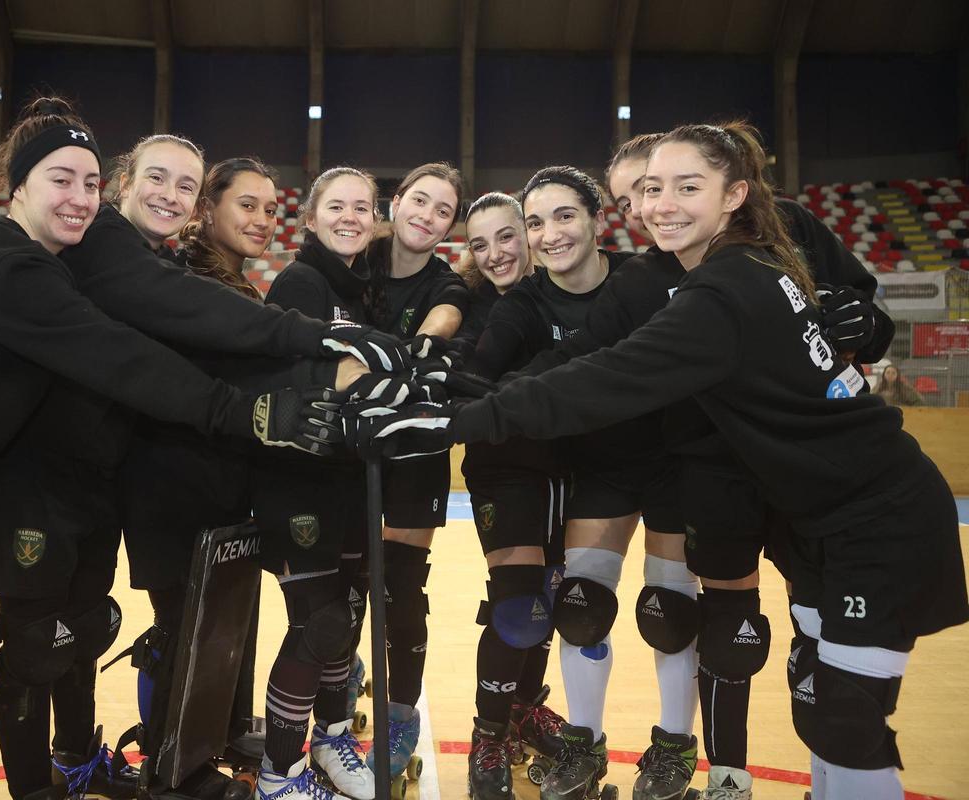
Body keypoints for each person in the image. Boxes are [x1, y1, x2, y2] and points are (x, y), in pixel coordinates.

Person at [353, 120, 969, 800]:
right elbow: (578, 357)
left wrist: (448, 421)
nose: (659, 206)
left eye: (687, 188)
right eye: (650, 190)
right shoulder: (745, 265)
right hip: (823, 517)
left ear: (735, 194)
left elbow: (601, 379)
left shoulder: (722, 294)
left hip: (873, 516)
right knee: (827, 711)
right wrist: (448, 395)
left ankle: (712, 758)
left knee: (846, 724)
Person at [0, 96, 350, 800]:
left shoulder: (26, 258)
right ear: (16, 185)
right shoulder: (13, 268)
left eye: (88, 183)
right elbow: (120, 356)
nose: (79, 197)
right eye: (59, 179)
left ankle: (67, 759)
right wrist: (248, 409)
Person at [0, 126, 405, 800]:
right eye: (157, 177)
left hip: (97, 473)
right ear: (122, 183)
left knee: (84, 630)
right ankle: (96, 779)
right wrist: (317, 348)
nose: (171, 195)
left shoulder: (149, 256)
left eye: (185, 185)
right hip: (41, 474)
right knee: (40, 646)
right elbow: (188, 346)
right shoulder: (109, 245)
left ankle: (83, 759)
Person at [592, 131, 893, 799]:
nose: (646, 208)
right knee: (730, 631)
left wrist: (865, 327)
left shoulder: (791, 229)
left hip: (800, 470)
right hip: (713, 476)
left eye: (656, 185)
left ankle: (830, 779)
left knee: (818, 626)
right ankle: (728, 774)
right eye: (630, 199)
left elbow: (868, 321)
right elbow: (591, 368)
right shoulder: (640, 279)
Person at [115, 156, 373, 799]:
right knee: (179, 631)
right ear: (208, 210)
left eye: (270, 208)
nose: (261, 219)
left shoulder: (236, 285)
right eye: (246, 205)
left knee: (212, 629)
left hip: (218, 482)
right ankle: (169, 771)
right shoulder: (183, 281)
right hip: (171, 480)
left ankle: (211, 741)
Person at [471, 166, 696, 800]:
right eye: (536, 223)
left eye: (565, 216)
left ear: (598, 219)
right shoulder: (525, 301)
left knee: (670, 613)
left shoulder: (647, 278)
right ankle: (584, 746)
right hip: (599, 467)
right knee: (579, 608)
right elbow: (489, 362)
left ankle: (674, 748)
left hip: (673, 461)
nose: (550, 234)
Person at [251, 166, 411, 800]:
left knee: (345, 618)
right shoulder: (302, 281)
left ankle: (333, 737)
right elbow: (287, 376)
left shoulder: (360, 287)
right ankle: (278, 774)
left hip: (348, 479)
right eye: (336, 206)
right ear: (311, 217)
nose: (350, 217)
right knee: (316, 625)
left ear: (376, 220)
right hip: (299, 481)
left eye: (362, 207)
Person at [456, 191, 576, 800]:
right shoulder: (469, 306)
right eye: (480, 244)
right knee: (516, 604)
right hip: (503, 468)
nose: (496, 253)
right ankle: (489, 734)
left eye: (506, 236)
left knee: (550, 598)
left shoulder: (561, 294)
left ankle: (525, 707)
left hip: (567, 469)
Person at [358, 162, 470, 784]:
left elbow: (447, 314)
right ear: (396, 202)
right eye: (419, 200)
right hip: (347, 444)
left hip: (414, 446)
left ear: (450, 226)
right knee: (345, 581)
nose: (427, 215)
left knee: (401, 586)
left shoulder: (445, 283)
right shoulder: (355, 260)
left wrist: (416, 349)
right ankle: (342, 680)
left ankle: (400, 716)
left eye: (442, 210)